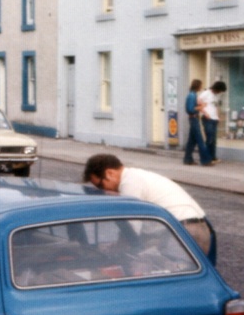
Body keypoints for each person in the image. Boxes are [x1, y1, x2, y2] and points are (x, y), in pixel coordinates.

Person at [83, 153, 213, 254]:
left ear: (109, 173)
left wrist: (118, 248)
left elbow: (132, 224)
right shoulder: (135, 176)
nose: (104, 191)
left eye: (101, 185)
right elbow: (144, 228)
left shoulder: (129, 183)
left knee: (177, 278)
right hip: (192, 226)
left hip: (185, 229)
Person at [183, 79, 213, 166]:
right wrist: (202, 106)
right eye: (200, 85)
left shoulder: (193, 94)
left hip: (193, 119)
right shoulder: (192, 95)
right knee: (200, 140)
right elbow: (191, 109)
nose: (201, 87)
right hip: (194, 119)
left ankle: (187, 159)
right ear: (197, 86)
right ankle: (205, 160)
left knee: (191, 141)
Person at [198, 80, 228, 164]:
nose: (219, 92)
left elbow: (216, 106)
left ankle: (213, 157)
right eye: (219, 90)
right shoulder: (206, 93)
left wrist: (218, 116)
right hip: (207, 118)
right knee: (209, 139)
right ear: (216, 88)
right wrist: (205, 112)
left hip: (214, 119)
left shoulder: (216, 95)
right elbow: (198, 102)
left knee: (213, 140)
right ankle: (206, 158)